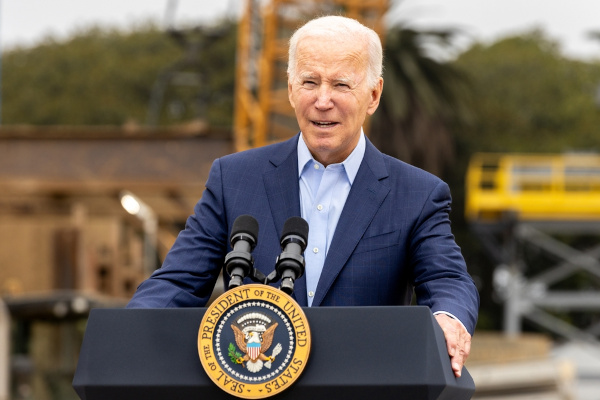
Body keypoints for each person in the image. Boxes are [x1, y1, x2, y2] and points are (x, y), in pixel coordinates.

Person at [127, 15, 479, 378]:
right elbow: (178, 281)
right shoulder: (233, 178)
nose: (322, 101)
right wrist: (128, 333)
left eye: (341, 84)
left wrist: (449, 319)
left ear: (373, 95)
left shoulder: (418, 194)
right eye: (309, 82)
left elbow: (447, 279)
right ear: (291, 89)